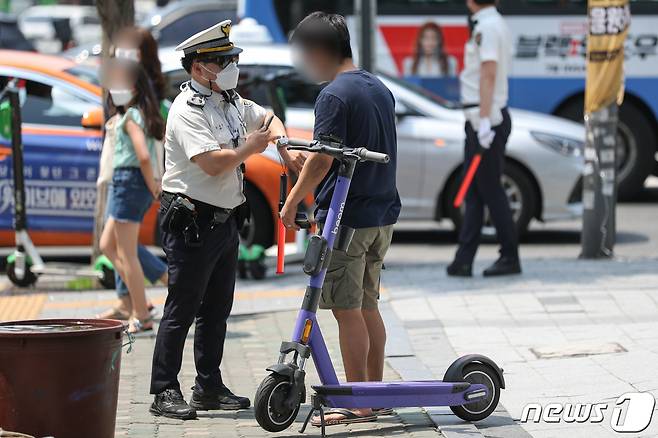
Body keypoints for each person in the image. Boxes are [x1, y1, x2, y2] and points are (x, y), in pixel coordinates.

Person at [149, 19, 302, 420]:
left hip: (225, 221)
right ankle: (164, 390)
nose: (231, 67)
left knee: (217, 308)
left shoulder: (229, 100)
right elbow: (212, 164)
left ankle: (208, 386)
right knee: (181, 308)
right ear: (200, 68)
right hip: (192, 221)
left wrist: (283, 147)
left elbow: (268, 119)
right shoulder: (187, 110)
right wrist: (250, 149)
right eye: (223, 61)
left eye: (232, 59)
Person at [281, 12, 401, 426]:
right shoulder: (377, 86)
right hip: (381, 215)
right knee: (367, 306)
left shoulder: (333, 95)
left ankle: (358, 402)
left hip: (347, 219)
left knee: (346, 310)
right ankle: (374, 393)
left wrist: (293, 200)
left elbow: (322, 159)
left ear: (319, 51)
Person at [98, 26, 169, 320]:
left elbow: (143, 153)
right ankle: (137, 301)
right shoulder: (135, 110)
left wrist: (153, 180)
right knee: (109, 245)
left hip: (130, 181)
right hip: (125, 180)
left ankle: (139, 310)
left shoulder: (133, 113)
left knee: (124, 250)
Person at [447, 0, 521, 277]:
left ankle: (510, 256)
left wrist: (486, 121)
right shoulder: (492, 23)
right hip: (482, 118)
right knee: (476, 193)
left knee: (490, 190)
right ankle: (464, 258)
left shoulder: (487, 27)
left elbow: (488, 74)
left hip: (485, 119)